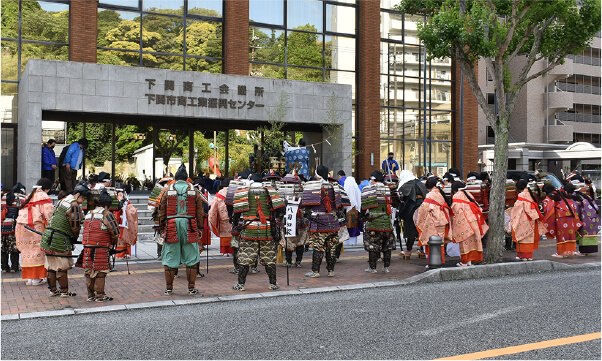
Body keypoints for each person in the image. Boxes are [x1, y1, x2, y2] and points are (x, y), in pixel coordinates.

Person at [231, 172, 285, 290]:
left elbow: (236, 212)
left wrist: (235, 225)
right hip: (267, 229)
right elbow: (281, 208)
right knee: (269, 257)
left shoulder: (243, 192)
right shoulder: (269, 191)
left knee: (245, 257)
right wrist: (278, 219)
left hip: (249, 230)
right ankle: (273, 284)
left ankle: (241, 285)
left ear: (250, 181)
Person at [158, 164, 204, 296]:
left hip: (172, 224)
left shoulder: (168, 189)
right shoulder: (193, 190)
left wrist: (162, 226)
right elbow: (199, 211)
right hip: (190, 224)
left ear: (176, 179)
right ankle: (191, 288)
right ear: (186, 178)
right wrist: (200, 227)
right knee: (192, 256)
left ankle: (169, 288)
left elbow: (162, 209)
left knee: (170, 255)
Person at [40, 181, 89, 297]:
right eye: (84, 197)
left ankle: (53, 290)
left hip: (48, 235)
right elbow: (75, 226)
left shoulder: (63, 200)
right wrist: (74, 237)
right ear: (77, 195)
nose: (85, 200)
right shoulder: (74, 204)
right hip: (59, 238)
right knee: (62, 265)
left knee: (51, 265)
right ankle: (64, 291)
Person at [75, 189, 120, 302]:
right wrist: (112, 244)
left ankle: (90, 295)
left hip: (87, 248)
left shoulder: (88, 214)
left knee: (89, 271)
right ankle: (100, 295)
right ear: (107, 205)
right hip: (100, 247)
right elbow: (115, 232)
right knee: (100, 272)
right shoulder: (107, 214)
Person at [301, 165, 345, 278]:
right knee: (331, 247)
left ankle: (315, 271)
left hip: (319, 222)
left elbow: (305, 204)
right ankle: (330, 271)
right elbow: (340, 205)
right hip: (333, 221)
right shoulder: (335, 186)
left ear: (317, 175)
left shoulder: (314, 186)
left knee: (318, 246)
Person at [15, 179, 54, 285]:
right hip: (36, 227)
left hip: (23, 226)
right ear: (47, 188)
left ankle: (30, 278)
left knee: (27, 252)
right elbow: (49, 213)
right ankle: (36, 278)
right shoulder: (43, 196)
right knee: (38, 251)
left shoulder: (29, 195)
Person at [361, 170, 395, 273]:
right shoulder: (389, 189)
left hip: (374, 221)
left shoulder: (369, 189)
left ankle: (373, 268)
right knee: (387, 245)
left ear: (374, 179)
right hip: (387, 221)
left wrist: (362, 218)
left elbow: (364, 206)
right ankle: (386, 267)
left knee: (373, 245)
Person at [414, 177, 453, 264]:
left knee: (431, 241)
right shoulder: (440, 193)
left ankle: (432, 262)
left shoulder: (430, 195)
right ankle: (441, 260)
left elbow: (423, 210)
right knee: (440, 241)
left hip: (433, 222)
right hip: (443, 220)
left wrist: (419, 221)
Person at [451, 181, 488, 266]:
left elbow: (456, 210)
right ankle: (469, 262)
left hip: (464, 222)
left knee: (464, 243)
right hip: (474, 220)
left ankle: (464, 262)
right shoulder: (468, 193)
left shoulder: (456, 195)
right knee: (472, 242)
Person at [510, 179, 547, 261]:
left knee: (522, 235)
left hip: (523, 218)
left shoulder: (521, 195)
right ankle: (529, 256)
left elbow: (517, 208)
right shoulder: (530, 194)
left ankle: (522, 255)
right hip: (531, 218)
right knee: (529, 236)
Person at [542, 183, 582, 258]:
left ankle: (561, 252)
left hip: (560, 217)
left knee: (561, 235)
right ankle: (569, 251)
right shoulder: (562, 194)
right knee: (569, 234)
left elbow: (548, 209)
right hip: (570, 216)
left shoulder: (551, 196)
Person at [278, 172, 307, 267]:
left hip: (289, 220)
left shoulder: (283, 194)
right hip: (300, 221)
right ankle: (298, 261)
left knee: (289, 241)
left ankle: (289, 261)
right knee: (299, 242)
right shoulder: (303, 192)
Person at [397, 170, 426, 259]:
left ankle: (408, 251)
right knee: (422, 229)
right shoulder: (420, 183)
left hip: (410, 208)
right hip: (422, 207)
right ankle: (422, 250)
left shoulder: (406, 184)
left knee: (410, 229)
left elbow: (402, 197)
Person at [565, 182, 599, 255]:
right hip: (593, 217)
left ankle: (583, 251)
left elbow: (575, 209)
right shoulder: (586, 196)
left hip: (585, 219)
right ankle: (588, 252)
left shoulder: (575, 198)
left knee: (583, 233)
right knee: (590, 233)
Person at [208, 178, 233, 257]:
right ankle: (233, 250)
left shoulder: (219, 194)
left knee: (225, 233)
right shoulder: (235, 192)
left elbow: (213, 209)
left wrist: (213, 217)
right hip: (234, 217)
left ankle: (225, 251)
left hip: (223, 218)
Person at [1, 189, 21, 273]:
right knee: (14, 249)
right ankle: (14, 267)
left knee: (3, 249)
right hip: (13, 228)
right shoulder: (17, 200)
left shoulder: (2, 199)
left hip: (2, 228)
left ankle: (4, 267)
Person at [341, 172, 362, 247]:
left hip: (347, 210)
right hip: (355, 210)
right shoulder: (356, 188)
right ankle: (353, 241)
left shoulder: (345, 188)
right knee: (354, 224)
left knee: (348, 225)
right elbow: (359, 199)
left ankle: (348, 241)